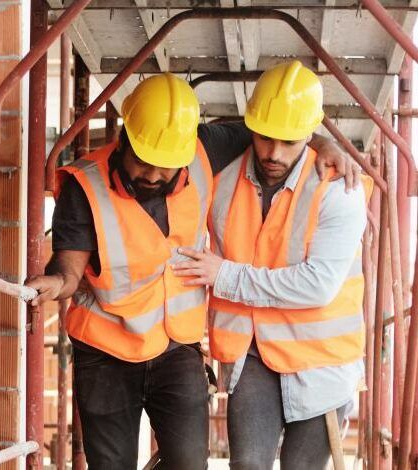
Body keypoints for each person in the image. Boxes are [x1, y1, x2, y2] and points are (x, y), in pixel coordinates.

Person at [24, 71, 355, 470]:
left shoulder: (205, 148)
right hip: (106, 352)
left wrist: (322, 142)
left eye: (167, 166)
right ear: (126, 140)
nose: (154, 175)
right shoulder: (86, 186)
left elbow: (276, 133)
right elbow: (69, 268)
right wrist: (57, 282)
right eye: (144, 162)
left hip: (175, 346)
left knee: (189, 464)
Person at [173, 60, 368, 470]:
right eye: (264, 138)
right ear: (250, 126)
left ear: (310, 134)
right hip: (252, 352)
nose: (273, 153)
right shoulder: (222, 176)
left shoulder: (339, 189)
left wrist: (225, 275)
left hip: (320, 361)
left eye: (289, 142)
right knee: (247, 464)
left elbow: (317, 285)